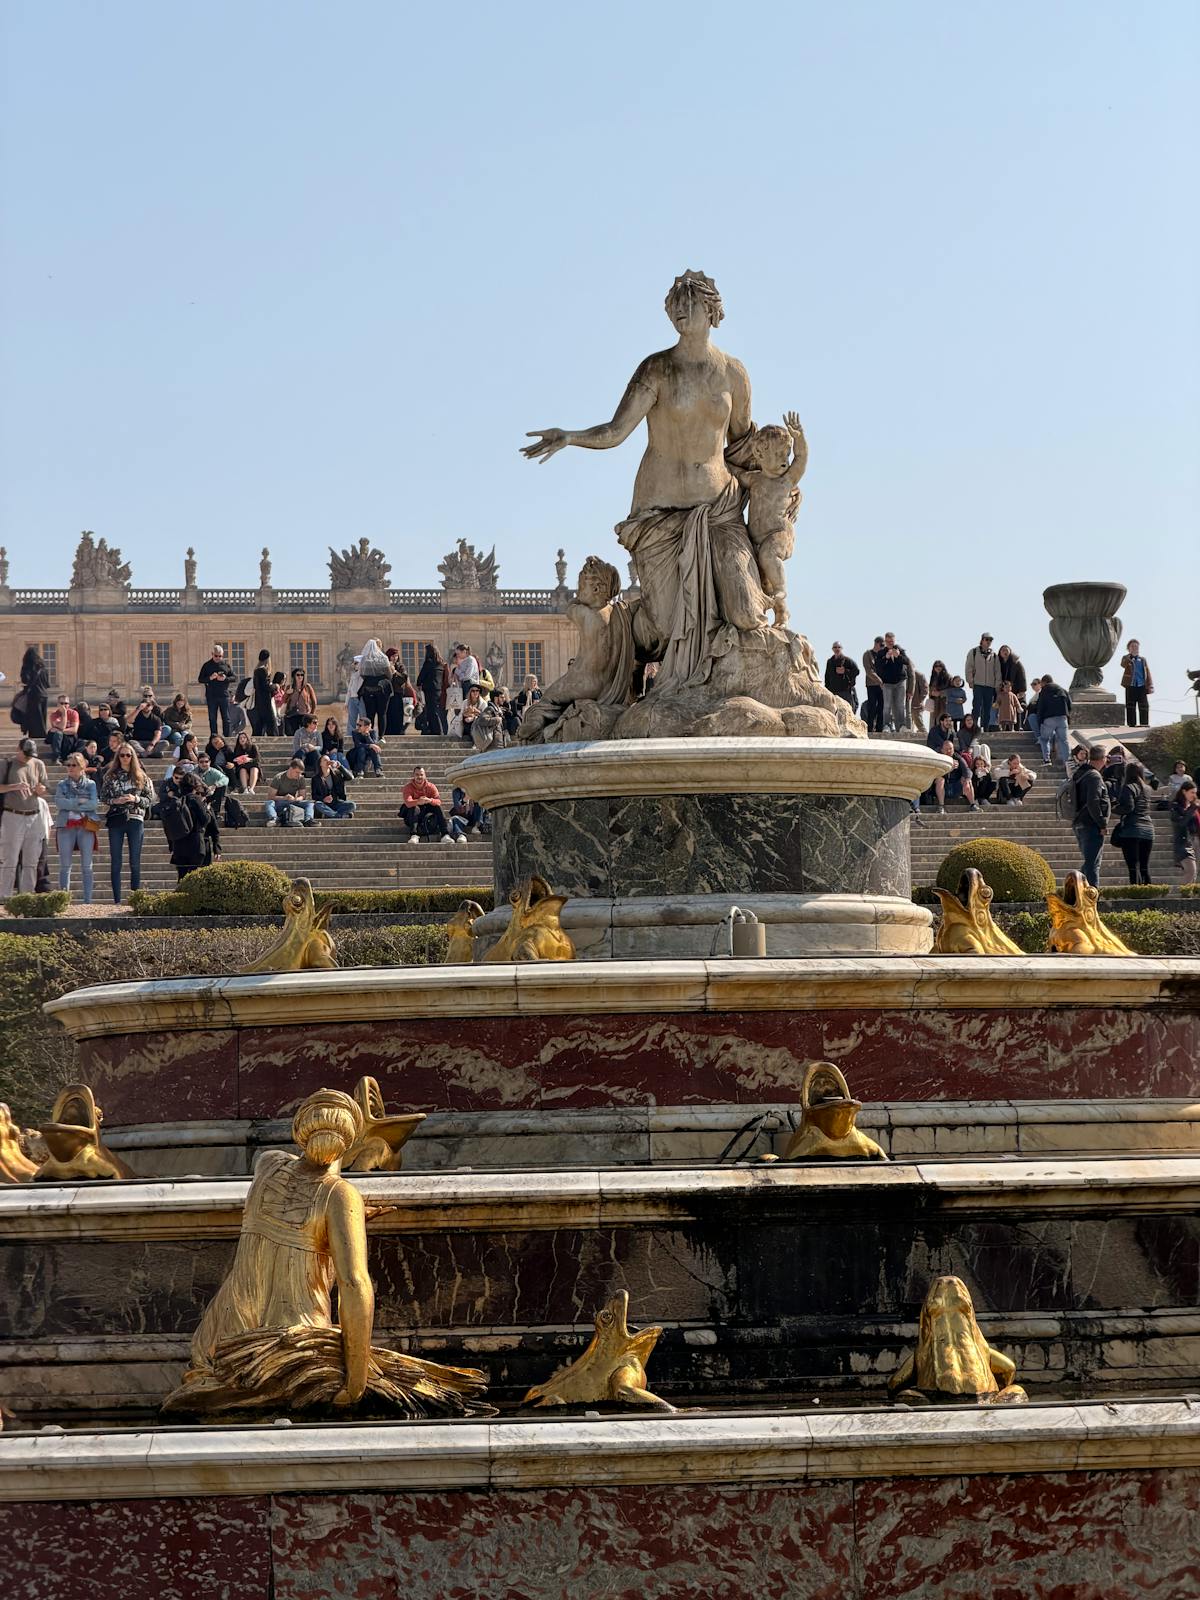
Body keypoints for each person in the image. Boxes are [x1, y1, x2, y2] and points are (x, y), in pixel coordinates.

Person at [728, 411, 806, 626]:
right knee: (763, 580)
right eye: (778, 454)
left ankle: (782, 590)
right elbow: (735, 473)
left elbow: (801, 460)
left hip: (779, 533)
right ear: (760, 456)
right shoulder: (755, 479)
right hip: (756, 538)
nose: (784, 460)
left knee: (769, 557)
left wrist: (799, 438)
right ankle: (782, 613)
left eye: (786, 454)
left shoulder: (787, 480)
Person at [100, 744, 155, 904]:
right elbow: (103, 797)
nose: (125, 758)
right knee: (116, 861)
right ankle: (117, 900)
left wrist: (135, 799)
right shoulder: (110, 776)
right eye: (122, 755)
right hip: (117, 819)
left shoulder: (141, 776)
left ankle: (134, 899)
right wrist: (115, 800)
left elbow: (151, 799)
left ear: (133, 757)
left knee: (135, 861)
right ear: (118, 757)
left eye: (128, 755)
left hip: (136, 819)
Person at [0, 738, 50, 897]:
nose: (29, 757)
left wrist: (40, 789)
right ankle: (5, 896)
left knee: (32, 860)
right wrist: (14, 786)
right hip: (12, 815)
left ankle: (26, 896)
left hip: (34, 815)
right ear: (18, 749)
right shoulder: (7, 764)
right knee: (10, 859)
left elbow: (44, 787)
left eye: (31, 754)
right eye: (26, 754)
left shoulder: (38, 764)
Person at [54, 751, 101, 903]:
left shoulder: (91, 784)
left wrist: (71, 803)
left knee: (87, 866)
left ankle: (87, 901)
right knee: (65, 865)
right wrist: (79, 802)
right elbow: (59, 802)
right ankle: (63, 900)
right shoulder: (62, 784)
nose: (70, 768)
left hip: (85, 826)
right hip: (65, 826)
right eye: (68, 765)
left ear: (82, 767)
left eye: (74, 765)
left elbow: (94, 804)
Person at [1071, 746, 1111, 889]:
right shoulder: (1094, 776)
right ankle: (1091, 898)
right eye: (1106, 757)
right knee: (1093, 864)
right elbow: (1093, 802)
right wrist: (1102, 824)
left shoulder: (1081, 773)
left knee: (1090, 862)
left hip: (1080, 822)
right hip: (1090, 824)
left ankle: (1077, 891)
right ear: (1102, 759)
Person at [167, 772, 221, 879]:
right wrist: (207, 810)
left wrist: (171, 845)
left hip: (179, 846)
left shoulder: (177, 802)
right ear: (195, 787)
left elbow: (169, 825)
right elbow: (205, 819)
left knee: (182, 879)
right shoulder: (195, 800)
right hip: (196, 845)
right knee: (196, 879)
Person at [1112, 759, 1155, 885]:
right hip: (1148, 830)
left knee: (1133, 867)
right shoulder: (1147, 789)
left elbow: (1128, 808)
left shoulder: (1128, 787)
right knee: (1144, 867)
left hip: (1132, 830)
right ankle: (1149, 894)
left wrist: (1113, 808)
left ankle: (1135, 895)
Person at [399, 766, 453, 844]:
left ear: (425, 775)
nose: (419, 777)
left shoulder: (431, 786)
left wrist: (430, 800)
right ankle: (414, 834)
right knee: (414, 807)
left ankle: (445, 834)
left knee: (437, 807)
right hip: (412, 815)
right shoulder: (408, 787)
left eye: (421, 774)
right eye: (417, 775)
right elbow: (408, 802)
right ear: (413, 775)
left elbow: (439, 801)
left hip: (427, 811)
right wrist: (418, 801)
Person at [1033, 676, 1072, 767]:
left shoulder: (1044, 691)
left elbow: (1041, 707)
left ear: (1044, 682)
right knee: (1064, 740)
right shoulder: (1062, 689)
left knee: (1044, 739)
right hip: (1062, 718)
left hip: (1049, 719)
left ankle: (1047, 760)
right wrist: (1067, 716)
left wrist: (1040, 721)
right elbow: (1069, 704)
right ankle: (1067, 761)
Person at [264, 758, 315, 827]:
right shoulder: (278, 778)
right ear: (291, 768)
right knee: (269, 803)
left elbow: (303, 796)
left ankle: (308, 820)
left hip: (293, 802)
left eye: (300, 773)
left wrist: (296, 799)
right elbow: (270, 796)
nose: (298, 775)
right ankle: (274, 819)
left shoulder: (301, 778)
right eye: (297, 772)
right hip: (280, 802)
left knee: (310, 804)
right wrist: (284, 798)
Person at [357, 639, 393, 737]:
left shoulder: (364, 659)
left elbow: (362, 674)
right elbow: (389, 675)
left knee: (370, 714)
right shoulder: (383, 658)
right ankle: (381, 736)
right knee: (382, 714)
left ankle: (370, 735)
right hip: (382, 688)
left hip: (368, 688)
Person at [875, 635, 910, 734]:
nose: (891, 643)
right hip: (887, 683)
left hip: (900, 681)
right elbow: (878, 667)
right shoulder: (881, 652)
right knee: (887, 705)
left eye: (892, 641)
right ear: (885, 642)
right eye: (888, 641)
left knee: (900, 705)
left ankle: (902, 725)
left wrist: (898, 656)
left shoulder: (900, 650)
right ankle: (886, 725)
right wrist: (886, 658)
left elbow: (907, 662)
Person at [965, 633, 1001, 729]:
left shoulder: (994, 655)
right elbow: (969, 667)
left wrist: (997, 685)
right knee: (976, 707)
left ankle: (985, 728)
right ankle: (974, 728)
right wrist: (970, 681)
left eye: (990, 640)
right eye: (986, 639)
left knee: (987, 708)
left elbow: (997, 671)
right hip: (978, 684)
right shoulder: (973, 652)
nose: (988, 641)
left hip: (990, 686)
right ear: (982, 640)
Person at [198, 644, 233, 738]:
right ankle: (214, 737)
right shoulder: (207, 665)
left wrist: (225, 678)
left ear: (223, 655)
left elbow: (234, 677)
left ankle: (227, 737)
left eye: (220, 656)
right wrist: (210, 678)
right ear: (212, 654)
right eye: (216, 656)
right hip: (211, 696)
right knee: (212, 718)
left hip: (224, 695)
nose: (218, 658)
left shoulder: (226, 665)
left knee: (226, 718)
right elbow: (200, 679)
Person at [16, 646, 49, 740]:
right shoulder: (43, 667)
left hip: (34, 694)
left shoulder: (28, 666)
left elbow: (25, 679)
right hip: (44, 694)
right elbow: (47, 683)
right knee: (42, 717)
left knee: (34, 717)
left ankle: (35, 735)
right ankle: (42, 735)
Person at [1170, 779, 1199, 885]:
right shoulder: (1175, 806)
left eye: (1195, 792)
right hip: (1182, 843)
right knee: (1191, 871)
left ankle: (1188, 895)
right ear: (1184, 791)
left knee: (1194, 873)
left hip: (1193, 841)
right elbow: (1181, 823)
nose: (1194, 795)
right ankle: (1183, 895)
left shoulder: (1192, 806)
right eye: (1192, 792)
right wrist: (1192, 809)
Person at [416, 645, 450, 734]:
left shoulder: (428, 663)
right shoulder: (442, 664)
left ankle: (438, 731)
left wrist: (419, 684)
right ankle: (433, 730)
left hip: (429, 690)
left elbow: (421, 677)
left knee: (432, 711)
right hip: (439, 690)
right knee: (435, 710)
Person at [1120, 641, 1153, 728]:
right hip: (1130, 685)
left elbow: (1147, 672)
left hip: (1141, 685)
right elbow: (1123, 664)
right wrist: (1130, 656)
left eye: (1136, 647)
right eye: (1132, 646)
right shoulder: (1126, 658)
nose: (1135, 648)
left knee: (1144, 704)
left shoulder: (1142, 659)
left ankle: (1144, 723)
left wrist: (1150, 685)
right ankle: (1131, 724)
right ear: (1129, 648)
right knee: (1130, 705)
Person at [311, 754, 356, 820]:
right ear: (320, 764)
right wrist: (324, 799)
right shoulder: (316, 779)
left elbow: (350, 777)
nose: (328, 761)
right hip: (325, 804)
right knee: (317, 804)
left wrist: (340, 766)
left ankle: (330, 815)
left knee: (352, 805)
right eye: (325, 760)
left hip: (337, 802)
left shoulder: (337, 774)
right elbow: (314, 796)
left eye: (329, 760)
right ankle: (338, 815)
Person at [130, 689, 168, 758]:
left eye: (149, 705)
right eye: (145, 705)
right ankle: (151, 754)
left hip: (151, 741)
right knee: (131, 742)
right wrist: (138, 709)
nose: (146, 707)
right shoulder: (137, 714)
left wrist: (152, 744)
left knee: (165, 743)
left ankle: (143, 754)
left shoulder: (156, 718)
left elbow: (158, 734)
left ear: (152, 707)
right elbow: (129, 721)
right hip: (139, 742)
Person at [46, 695, 80, 765]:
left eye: (66, 703)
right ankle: (56, 757)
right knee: (58, 734)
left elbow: (74, 730)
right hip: (55, 737)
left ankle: (65, 758)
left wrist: (60, 730)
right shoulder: (54, 715)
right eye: (62, 703)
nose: (64, 705)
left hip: (68, 736)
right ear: (58, 704)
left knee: (65, 736)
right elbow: (62, 727)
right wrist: (64, 714)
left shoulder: (74, 713)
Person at [195, 751, 230, 819]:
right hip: (198, 795)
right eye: (201, 762)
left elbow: (225, 779)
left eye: (206, 761)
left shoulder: (213, 771)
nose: (204, 764)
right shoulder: (194, 772)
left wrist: (215, 785)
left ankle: (215, 812)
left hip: (211, 794)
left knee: (223, 786)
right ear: (198, 763)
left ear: (210, 762)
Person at [997, 644, 1027, 722]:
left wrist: (1022, 690)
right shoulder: (998, 663)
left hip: (1015, 689)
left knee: (1016, 708)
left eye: (1006, 650)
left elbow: (1022, 676)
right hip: (1003, 690)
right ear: (1000, 653)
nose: (1005, 652)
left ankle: (1018, 727)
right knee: (1004, 709)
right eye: (1003, 650)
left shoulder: (1016, 663)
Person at [283, 667, 317, 736]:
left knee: (305, 735)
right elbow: (284, 700)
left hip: (304, 715)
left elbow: (314, 702)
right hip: (292, 714)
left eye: (302, 675)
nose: (300, 676)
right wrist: (287, 693)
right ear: (294, 676)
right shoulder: (289, 687)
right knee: (294, 735)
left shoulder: (307, 687)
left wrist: (312, 714)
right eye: (298, 675)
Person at [249, 649, 276, 737]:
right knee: (271, 723)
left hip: (258, 700)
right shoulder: (263, 670)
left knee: (260, 724)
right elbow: (266, 686)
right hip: (265, 700)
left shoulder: (256, 670)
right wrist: (275, 686)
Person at [824, 644, 859, 710]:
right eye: (835, 647)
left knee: (848, 710)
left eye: (839, 647)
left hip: (845, 691)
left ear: (841, 648)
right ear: (832, 649)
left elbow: (856, 671)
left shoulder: (847, 660)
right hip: (833, 691)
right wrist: (827, 689)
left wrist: (845, 671)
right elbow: (827, 676)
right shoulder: (830, 662)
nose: (837, 649)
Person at [927, 661, 951, 726]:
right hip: (934, 703)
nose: (938, 667)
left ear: (943, 667)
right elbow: (929, 688)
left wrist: (940, 693)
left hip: (943, 702)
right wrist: (931, 693)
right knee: (933, 721)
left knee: (942, 720)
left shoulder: (948, 677)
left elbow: (951, 690)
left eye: (940, 666)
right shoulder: (933, 677)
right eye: (936, 666)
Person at [907, 666, 929, 734]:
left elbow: (925, 689)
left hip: (916, 704)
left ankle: (926, 739)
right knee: (908, 726)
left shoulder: (919, 675)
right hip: (907, 703)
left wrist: (919, 701)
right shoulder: (905, 674)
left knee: (919, 724)